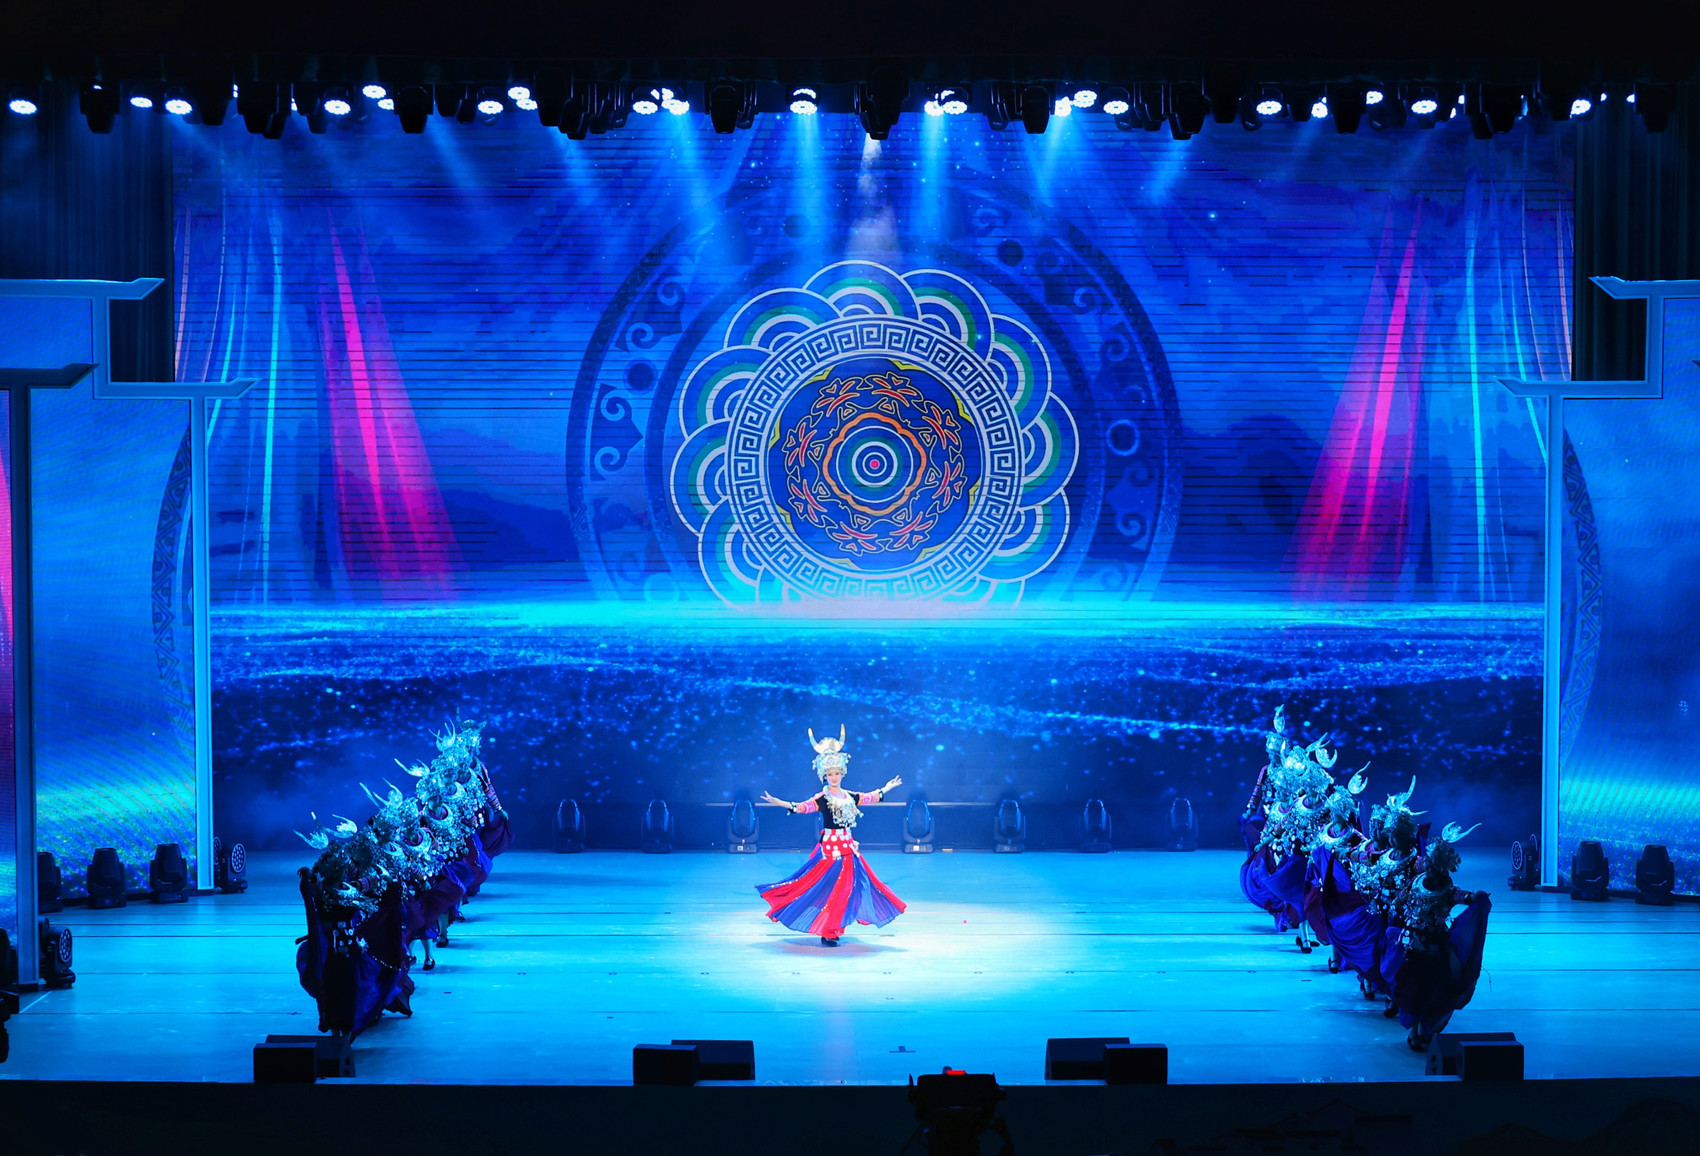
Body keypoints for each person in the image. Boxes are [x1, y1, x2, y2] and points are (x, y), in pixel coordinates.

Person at [755, 726, 907, 946]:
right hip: (830, 851)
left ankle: (833, 929)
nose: (834, 777)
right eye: (829, 774)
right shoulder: (822, 798)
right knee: (824, 888)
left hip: (849, 850)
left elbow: (871, 797)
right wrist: (780, 802)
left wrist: (887, 787)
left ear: (842, 774)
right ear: (824, 776)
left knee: (848, 889)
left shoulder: (850, 796)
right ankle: (828, 930)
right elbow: (803, 807)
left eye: (837, 773)